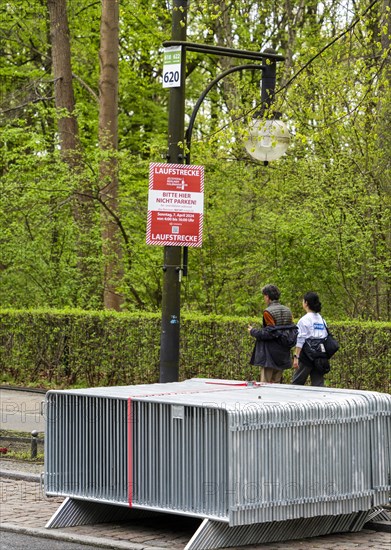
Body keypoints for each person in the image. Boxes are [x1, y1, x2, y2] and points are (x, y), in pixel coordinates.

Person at [248, 284, 298, 383]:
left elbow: (269, 333)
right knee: (276, 384)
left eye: (264, 296)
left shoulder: (268, 312)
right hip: (283, 353)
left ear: (267, 296)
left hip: (270, 355)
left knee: (265, 383)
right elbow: (291, 329)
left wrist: (253, 331)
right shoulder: (288, 310)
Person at [292, 291, 329, 387]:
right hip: (320, 355)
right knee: (318, 384)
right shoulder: (322, 320)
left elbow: (300, 339)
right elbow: (325, 336)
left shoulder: (304, 320)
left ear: (306, 303)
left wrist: (296, 357)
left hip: (307, 356)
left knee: (297, 383)